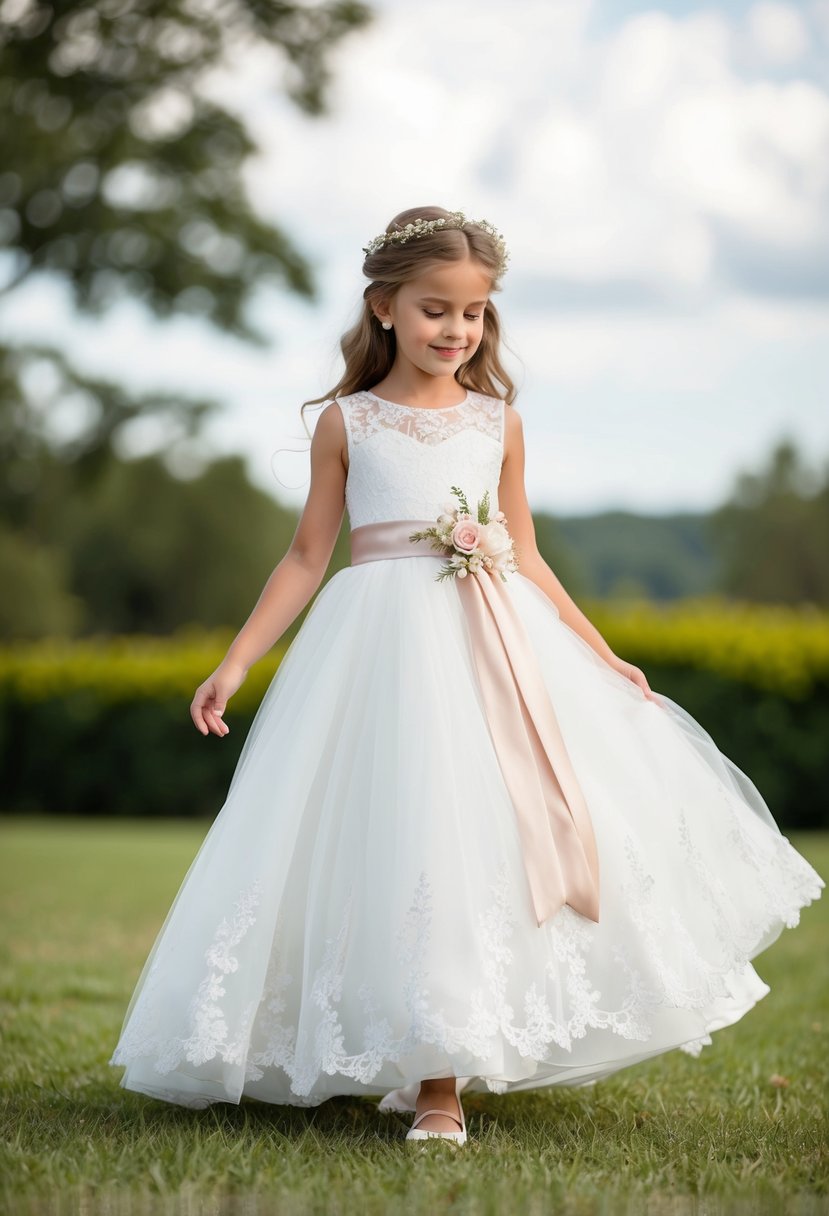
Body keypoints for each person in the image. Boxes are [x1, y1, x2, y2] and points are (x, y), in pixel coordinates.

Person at [108, 206, 824, 1148]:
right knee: (397, 837)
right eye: (434, 309)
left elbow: (524, 553)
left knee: (471, 841)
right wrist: (235, 662)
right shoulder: (347, 423)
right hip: (374, 651)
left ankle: (440, 1077)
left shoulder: (498, 423)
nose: (455, 330)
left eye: (474, 314)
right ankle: (410, 1055)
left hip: (491, 642)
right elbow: (303, 556)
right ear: (384, 308)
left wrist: (598, 652)